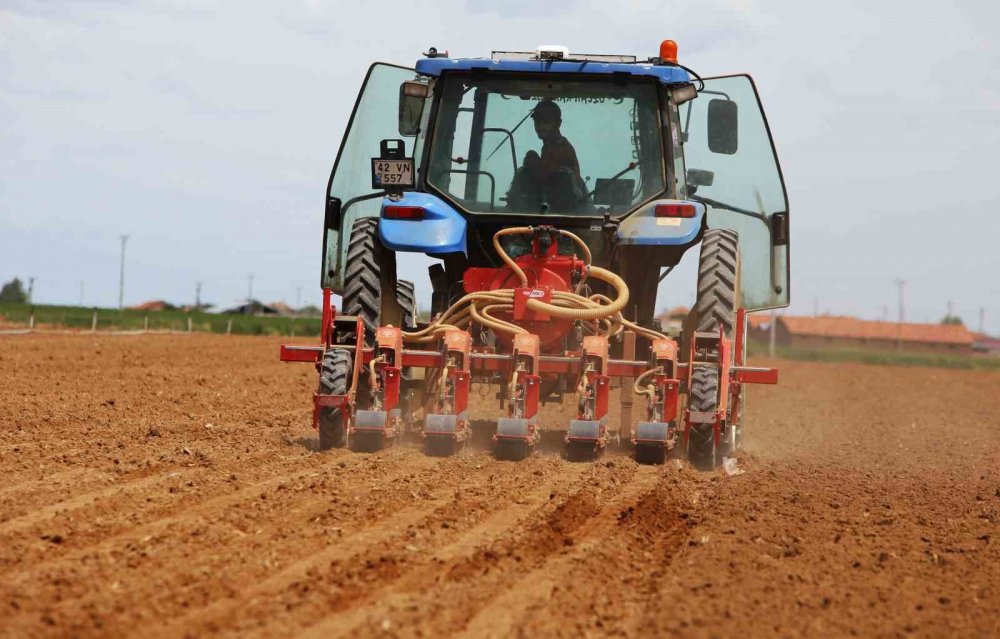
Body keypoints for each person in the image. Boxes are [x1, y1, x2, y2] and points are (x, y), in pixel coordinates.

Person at [508, 99, 585, 213]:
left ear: (558, 123)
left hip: (563, 211)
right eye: (537, 121)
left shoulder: (561, 148)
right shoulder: (548, 146)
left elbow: (545, 178)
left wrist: (532, 161)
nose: (540, 125)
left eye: (546, 121)